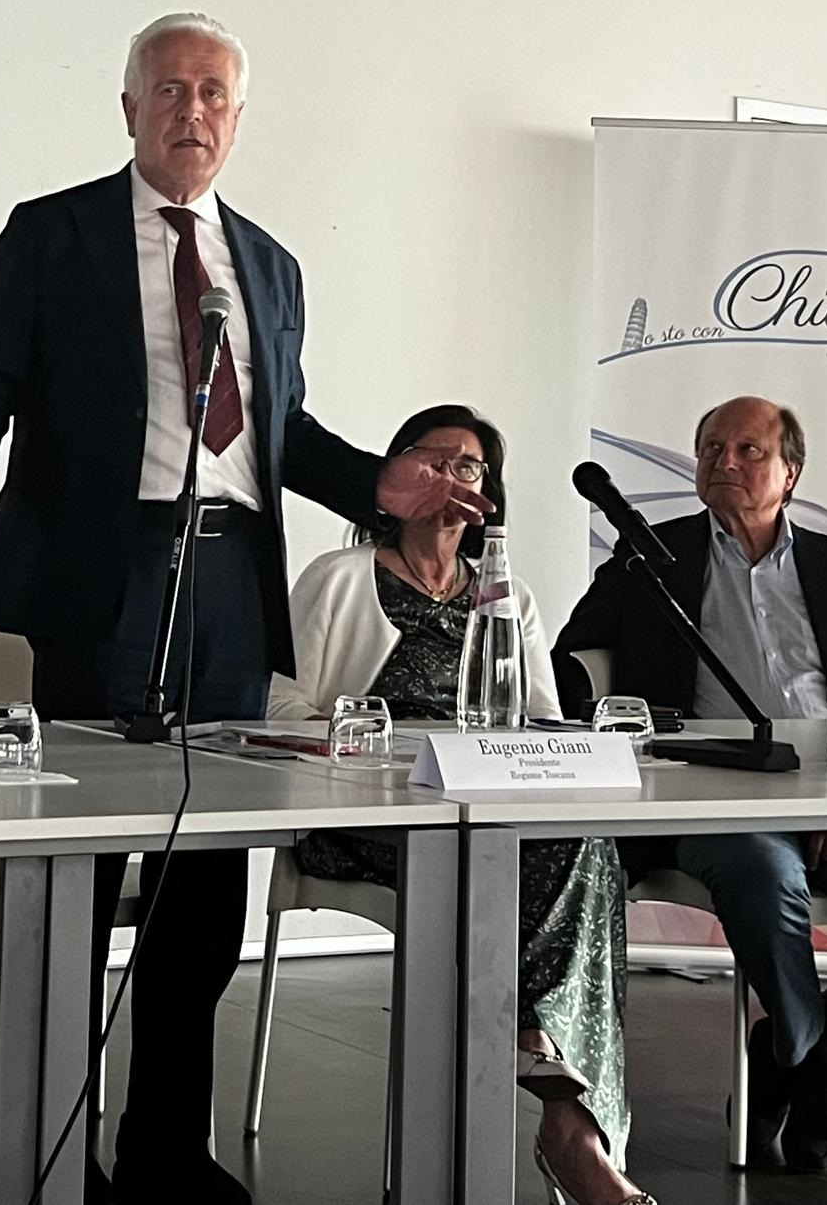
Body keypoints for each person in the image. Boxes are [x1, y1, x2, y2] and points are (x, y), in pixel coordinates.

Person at [0, 13, 490, 1205]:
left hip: (231, 579)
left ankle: (166, 1149)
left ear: (237, 116)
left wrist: (378, 487)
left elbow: (282, 432)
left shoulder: (268, 264)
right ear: (130, 108)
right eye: (169, 89)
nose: (192, 110)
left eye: (213, 92)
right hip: (103, 570)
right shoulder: (54, 231)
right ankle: (47, 1146)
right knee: (82, 865)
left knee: (208, 883)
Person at [553, 395, 827, 1174]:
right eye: (711, 449)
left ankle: (794, 1051)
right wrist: (627, 734)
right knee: (763, 874)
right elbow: (569, 667)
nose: (725, 461)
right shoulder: (648, 558)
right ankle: (810, 1061)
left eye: (748, 450)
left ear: (791, 472)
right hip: (714, 795)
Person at [271, 404, 654, 1205]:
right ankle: (563, 1114)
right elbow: (278, 709)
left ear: (489, 494)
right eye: (432, 461)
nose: (450, 479)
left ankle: (561, 1103)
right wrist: (375, 744)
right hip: (373, 815)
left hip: (492, 813)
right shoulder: (339, 578)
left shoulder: (506, 596)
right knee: (539, 862)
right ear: (393, 477)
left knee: (585, 844)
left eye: (468, 467)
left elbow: (544, 720)